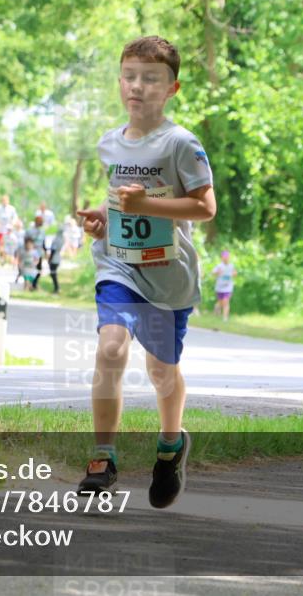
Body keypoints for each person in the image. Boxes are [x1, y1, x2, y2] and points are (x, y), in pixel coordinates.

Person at [75, 36, 215, 508]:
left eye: (151, 79)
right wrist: (101, 218)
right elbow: (120, 201)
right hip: (119, 265)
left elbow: (205, 207)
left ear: (172, 88)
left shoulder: (182, 144)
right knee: (111, 348)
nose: (137, 86)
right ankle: (102, 458)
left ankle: (171, 445)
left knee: (161, 371)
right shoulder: (109, 142)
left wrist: (147, 206)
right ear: (119, 81)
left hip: (167, 276)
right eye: (129, 76)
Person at [212, 250, 236, 321]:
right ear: (222, 258)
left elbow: (235, 273)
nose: (226, 258)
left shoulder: (231, 265)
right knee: (221, 302)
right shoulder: (219, 266)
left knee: (226, 301)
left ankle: (225, 317)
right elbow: (213, 272)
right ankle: (217, 306)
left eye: (227, 257)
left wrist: (233, 274)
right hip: (219, 287)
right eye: (224, 257)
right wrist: (217, 272)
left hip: (228, 287)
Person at [0, 195, 18, 263]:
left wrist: (13, 224)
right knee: (0, 244)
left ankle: (9, 256)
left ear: (8, 201)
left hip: (8, 229)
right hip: (0, 229)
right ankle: (2, 257)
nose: (4, 202)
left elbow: (15, 218)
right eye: (3, 200)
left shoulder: (12, 208)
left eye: (6, 200)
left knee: (9, 243)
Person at [25, 215, 46, 290]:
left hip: (39, 252)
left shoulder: (42, 231)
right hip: (31, 252)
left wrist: (45, 251)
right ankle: (29, 284)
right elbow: (26, 241)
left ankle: (35, 284)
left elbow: (43, 242)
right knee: (30, 268)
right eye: (39, 222)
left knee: (39, 269)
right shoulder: (30, 231)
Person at [48, 227, 65, 294]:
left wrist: (50, 258)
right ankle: (56, 287)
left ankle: (56, 288)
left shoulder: (56, 239)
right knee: (53, 273)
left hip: (54, 257)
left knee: (53, 273)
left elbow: (53, 250)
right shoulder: (62, 239)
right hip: (58, 257)